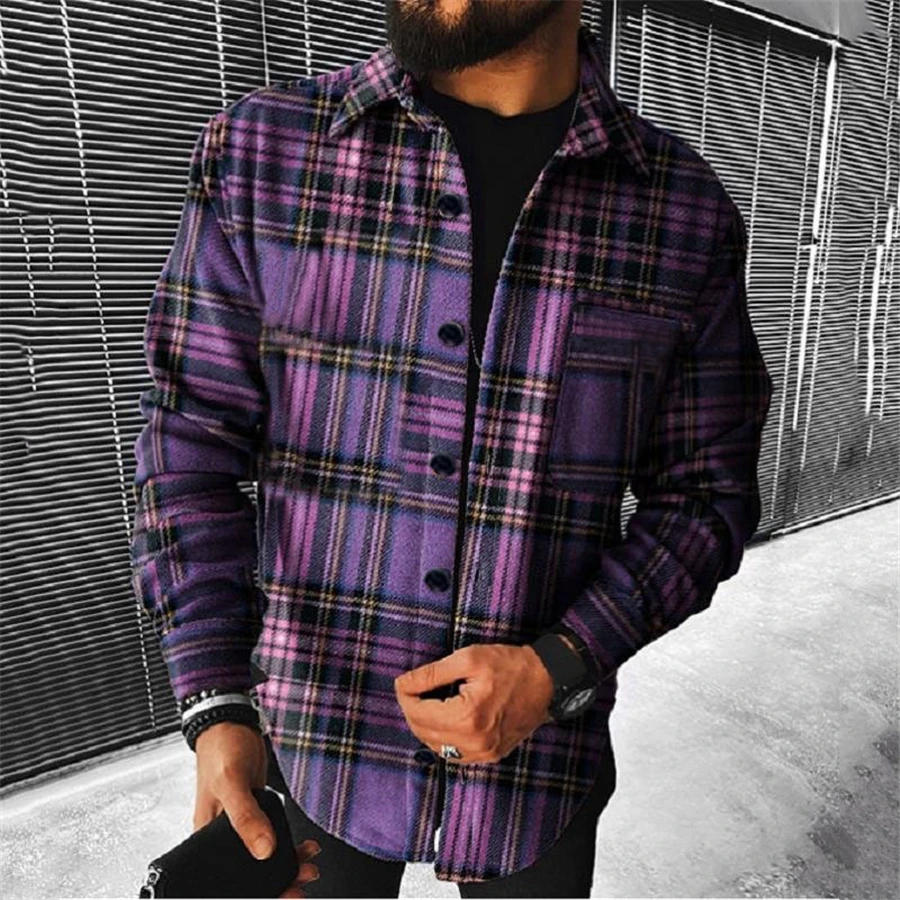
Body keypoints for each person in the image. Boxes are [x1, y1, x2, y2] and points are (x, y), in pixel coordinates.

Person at [130, 1, 774, 897]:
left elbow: (706, 497)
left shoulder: (681, 215)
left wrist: (559, 664)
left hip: (538, 780)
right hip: (312, 754)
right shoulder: (264, 156)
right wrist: (216, 703)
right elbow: (188, 446)